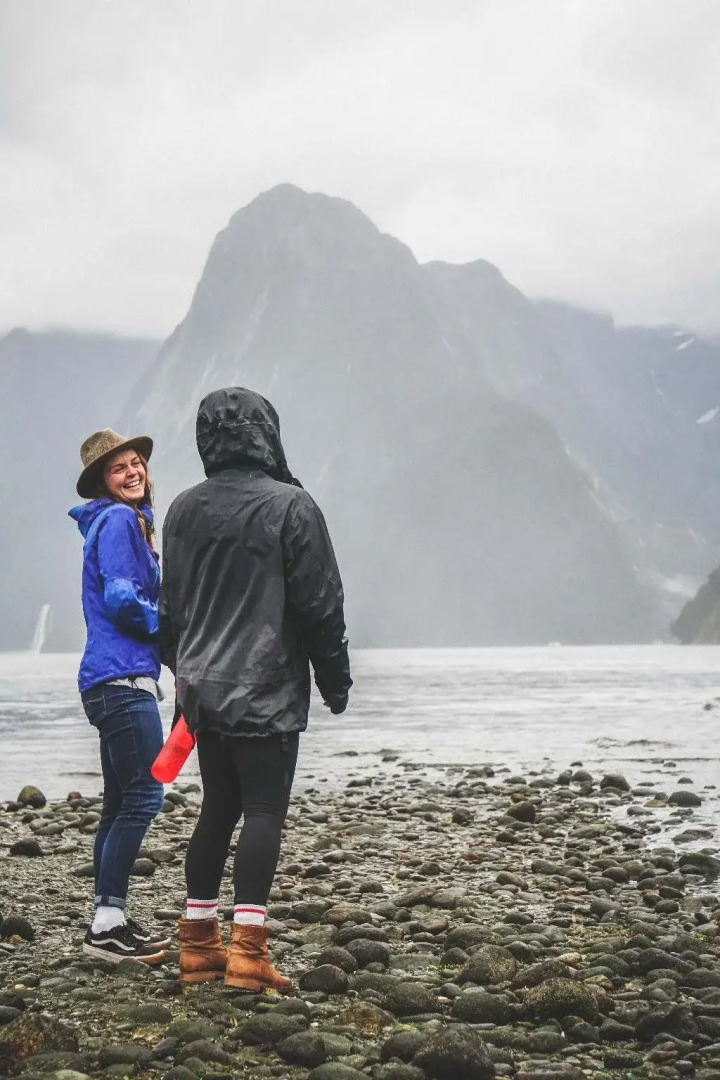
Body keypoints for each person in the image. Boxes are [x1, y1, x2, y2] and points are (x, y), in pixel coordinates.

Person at [160, 387, 352, 990]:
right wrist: (335, 680)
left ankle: (197, 946)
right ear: (267, 434)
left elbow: (171, 609)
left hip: (202, 691)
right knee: (264, 810)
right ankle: (248, 952)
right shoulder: (292, 507)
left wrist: (185, 671)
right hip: (266, 687)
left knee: (218, 808)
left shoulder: (182, 510)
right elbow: (321, 604)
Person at [69, 429, 169, 964]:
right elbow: (122, 598)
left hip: (109, 680)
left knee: (117, 803)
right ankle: (106, 924)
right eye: (118, 469)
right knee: (145, 797)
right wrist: (170, 629)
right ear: (103, 484)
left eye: (136, 464)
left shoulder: (121, 523)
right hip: (122, 681)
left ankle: (109, 919)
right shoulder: (118, 520)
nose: (132, 472)